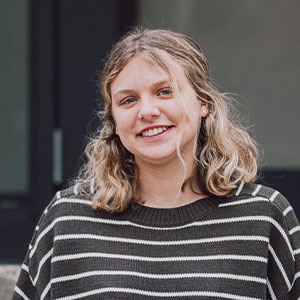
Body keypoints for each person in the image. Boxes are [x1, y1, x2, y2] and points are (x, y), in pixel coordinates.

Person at [13, 28, 300, 300]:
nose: (147, 111)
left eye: (165, 91)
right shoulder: (67, 218)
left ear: (203, 103)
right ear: (113, 120)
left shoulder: (264, 216)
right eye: (128, 100)